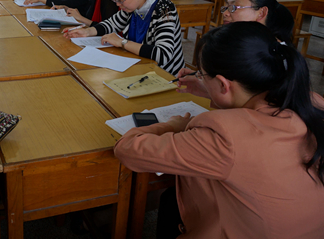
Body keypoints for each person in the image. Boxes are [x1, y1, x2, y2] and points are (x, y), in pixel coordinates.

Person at [114, 22, 324, 238]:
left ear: (224, 84)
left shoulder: (225, 135)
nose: (199, 78)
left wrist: (174, 126)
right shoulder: (311, 103)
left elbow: (127, 149)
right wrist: (212, 92)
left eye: (202, 74)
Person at [178, 0, 295, 100]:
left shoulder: (271, 53)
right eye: (226, 7)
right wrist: (207, 80)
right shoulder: (242, 42)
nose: (226, 13)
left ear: (261, 13)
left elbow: (258, 102)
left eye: (234, 7)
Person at [65, 0, 184, 76]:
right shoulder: (132, 6)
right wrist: (87, 32)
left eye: (120, 0)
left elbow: (163, 54)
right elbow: (111, 24)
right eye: (114, 0)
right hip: (138, 66)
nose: (118, 4)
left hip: (164, 76)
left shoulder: (164, 10)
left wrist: (122, 42)